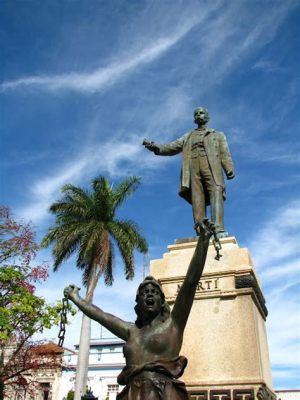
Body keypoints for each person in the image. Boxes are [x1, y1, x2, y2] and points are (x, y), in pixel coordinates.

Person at [64, 219, 214, 400]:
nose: (149, 295)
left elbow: (191, 281)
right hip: (131, 394)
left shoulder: (174, 324)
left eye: (154, 292)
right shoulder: (131, 330)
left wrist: (204, 241)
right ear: (138, 302)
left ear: (161, 301)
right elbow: (101, 315)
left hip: (162, 393)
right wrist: (76, 299)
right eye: (144, 293)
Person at [143, 107, 235, 238]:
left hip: (211, 166)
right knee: (197, 198)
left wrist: (228, 168)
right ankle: (201, 230)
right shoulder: (188, 136)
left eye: (201, 113)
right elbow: (172, 147)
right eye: (196, 114)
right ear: (194, 119)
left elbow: (224, 153)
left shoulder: (217, 135)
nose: (199, 115)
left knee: (216, 191)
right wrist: (156, 148)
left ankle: (219, 228)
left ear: (207, 117)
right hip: (193, 166)